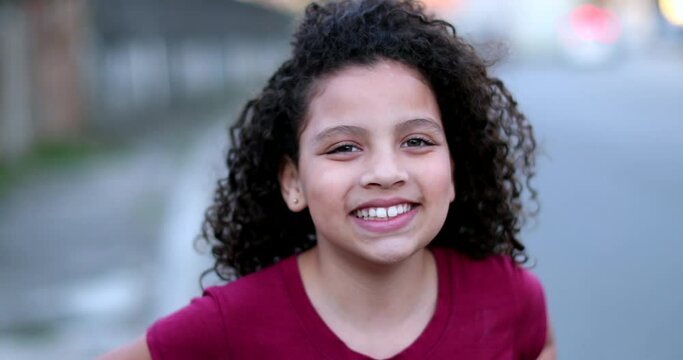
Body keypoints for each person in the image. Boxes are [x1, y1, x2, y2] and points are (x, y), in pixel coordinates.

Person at [102, 0, 556, 358]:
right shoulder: (228, 324)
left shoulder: (512, 299)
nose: (385, 173)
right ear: (293, 182)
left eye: (416, 141)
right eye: (344, 148)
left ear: (454, 169)